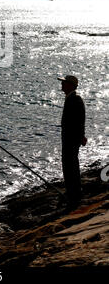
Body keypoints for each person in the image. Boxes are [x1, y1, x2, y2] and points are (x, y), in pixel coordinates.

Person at [57, 75, 87, 209]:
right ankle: (73, 191)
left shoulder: (75, 99)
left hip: (71, 139)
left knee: (70, 165)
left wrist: (81, 136)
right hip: (70, 138)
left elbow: (80, 120)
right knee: (70, 164)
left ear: (70, 85)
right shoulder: (71, 98)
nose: (62, 85)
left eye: (64, 83)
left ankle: (74, 193)